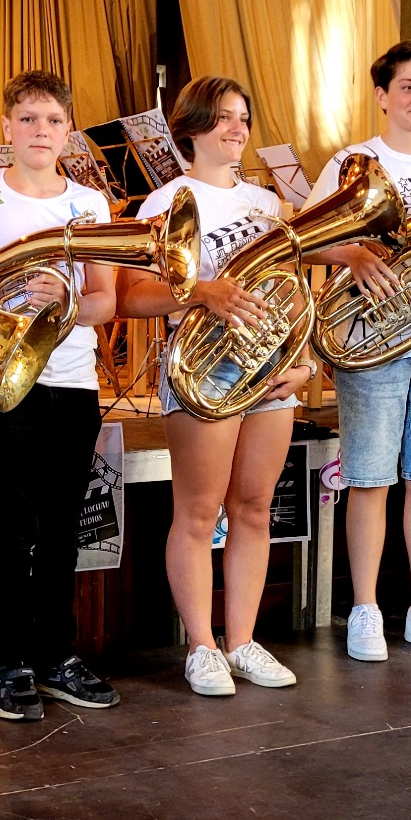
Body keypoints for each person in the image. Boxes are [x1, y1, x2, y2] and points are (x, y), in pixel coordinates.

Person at [0, 70, 120, 721]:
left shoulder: (90, 204)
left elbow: (105, 302)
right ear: (6, 127)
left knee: (64, 525)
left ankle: (56, 657)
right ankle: (6, 663)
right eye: (29, 119)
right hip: (4, 375)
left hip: (72, 377)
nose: (41, 131)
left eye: (54, 121)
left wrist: (68, 299)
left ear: (69, 132)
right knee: (12, 524)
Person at [118, 76, 310, 697]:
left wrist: (302, 360)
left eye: (244, 118)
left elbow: (296, 292)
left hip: (271, 366)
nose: (237, 129)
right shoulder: (164, 203)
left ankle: (243, 640)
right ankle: (202, 645)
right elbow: (131, 298)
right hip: (204, 367)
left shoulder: (268, 205)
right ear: (193, 127)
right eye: (225, 117)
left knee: (253, 508)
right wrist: (203, 291)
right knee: (199, 513)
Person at [309, 41, 411, 663]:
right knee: (371, 479)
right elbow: (302, 239)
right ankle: (364, 609)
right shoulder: (354, 161)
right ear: (382, 96)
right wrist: (350, 253)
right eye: (408, 86)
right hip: (371, 340)